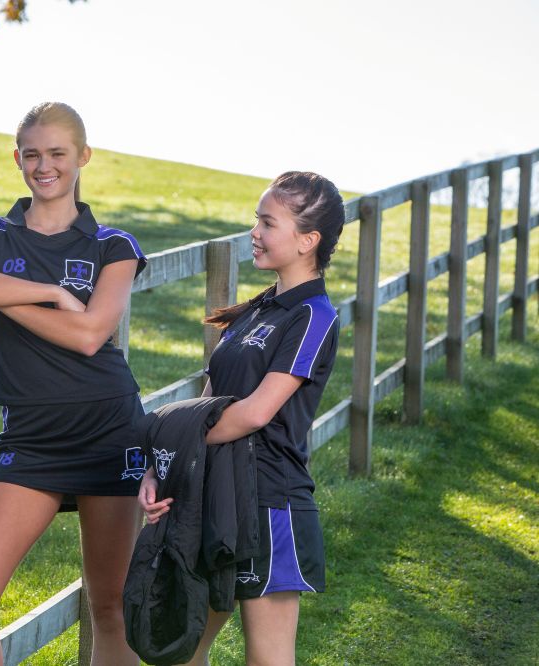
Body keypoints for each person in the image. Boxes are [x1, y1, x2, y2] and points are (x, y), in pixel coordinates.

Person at [0, 102, 147, 665]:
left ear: (83, 157)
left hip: (109, 431)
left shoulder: (113, 245)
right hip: (29, 440)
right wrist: (47, 293)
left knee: (110, 604)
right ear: (16, 159)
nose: (44, 165)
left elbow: (89, 336)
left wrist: (5, 298)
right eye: (31, 154)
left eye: (57, 153)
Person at [139, 171, 345, 665]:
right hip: (213, 496)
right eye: (256, 219)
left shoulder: (313, 316)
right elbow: (208, 404)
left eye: (267, 222)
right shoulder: (255, 312)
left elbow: (254, 413)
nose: (254, 231)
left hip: (271, 504)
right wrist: (162, 466)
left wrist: (175, 445)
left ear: (307, 240)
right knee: (183, 651)